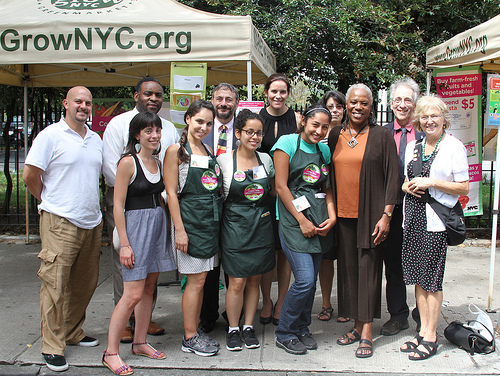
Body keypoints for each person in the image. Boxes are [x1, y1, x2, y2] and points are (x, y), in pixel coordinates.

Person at [23, 86, 103, 372]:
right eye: (78, 101)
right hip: (59, 221)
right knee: (54, 284)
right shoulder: (50, 136)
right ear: (66, 104)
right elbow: (30, 174)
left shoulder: (94, 139)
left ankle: (72, 331)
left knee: (84, 283)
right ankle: (51, 345)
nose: (84, 106)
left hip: (92, 221)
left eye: (88, 102)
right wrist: (48, 200)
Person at [103, 77, 179, 342]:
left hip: (156, 214)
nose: (154, 98)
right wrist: (124, 241)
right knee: (129, 279)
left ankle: (142, 332)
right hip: (130, 212)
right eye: (148, 93)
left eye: (158, 94)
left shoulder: (168, 130)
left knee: (148, 283)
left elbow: (171, 172)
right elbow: (116, 180)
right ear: (136, 96)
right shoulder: (119, 126)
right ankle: (119, 332)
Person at [330, 84, 399, 358]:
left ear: (371, 107)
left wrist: (386, 215)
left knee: (369, 271)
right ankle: (356, 325)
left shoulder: (382, 135)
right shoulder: (336, 133)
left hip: (371, 215)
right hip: (343, 217)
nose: (358, 108)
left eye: (364, 103)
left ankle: (368, 330)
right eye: (353, 103)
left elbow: (393, 176)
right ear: (346, 105)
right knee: (348, 272)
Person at [400, 95, 469, 360]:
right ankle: (422, 332)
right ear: (418, 121)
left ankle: (431, 336)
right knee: (418, 279)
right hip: (414, 218)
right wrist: (408, 186)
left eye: (434, 116)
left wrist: (431, 183)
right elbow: (406, 182)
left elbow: (463, 186)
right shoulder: (413, 147)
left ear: (443, 119)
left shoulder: (453, 146)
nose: (429, 121)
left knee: (432, 280)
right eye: (425, 117)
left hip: (436, 221)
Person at [273, 104, 336, 355]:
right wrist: (301, 220)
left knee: (310, 284)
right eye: (315, 125)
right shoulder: (286, 143)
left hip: (319, 220)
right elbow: (280, 186)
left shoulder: (324, 150)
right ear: (303, 121)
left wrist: (332, 217)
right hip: (293, 222)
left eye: (324, 127)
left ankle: (301, 327)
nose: (319, 131)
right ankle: (285, 331)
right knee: (305, 280)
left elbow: (328, 187)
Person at [164, 100, 222, 357]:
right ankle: (189, 337)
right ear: (188, 119)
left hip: (209, 224)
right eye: (199, 121)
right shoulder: (176, 151)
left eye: (209, 123)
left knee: (202, 281)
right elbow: (171, 194)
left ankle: (195, 330)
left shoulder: (208, 150)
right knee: (195, 282)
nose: (204, 127)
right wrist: (180, 230)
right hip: (190, 224)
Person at [218, 109, 275, 351]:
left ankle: (249, 326)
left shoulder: (266, 160)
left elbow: (272, 190)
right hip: (234, 227)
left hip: (261, 225)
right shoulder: (223, 161)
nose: (254, 137)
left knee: (255, 280)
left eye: (259, 133)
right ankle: (233, 328)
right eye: (249, 132)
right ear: (238, 133)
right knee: (237, 281)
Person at [381, 78, 425, 336]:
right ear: (390, 103)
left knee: (421, 263)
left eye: (407, 99)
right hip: (392, 209)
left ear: (415, 103)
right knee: (393, 265)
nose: (402, 104)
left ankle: (423, 316)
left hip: (420, 208)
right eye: (397, 99)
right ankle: (398, 315)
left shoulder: (426, 132)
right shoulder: (381, 133)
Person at [198, 83, 240, 334]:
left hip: (235, 204)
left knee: (234, 262)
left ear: (236, 102)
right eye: (219, 98)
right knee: (209, 264)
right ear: (212, 100)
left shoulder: (244, 128)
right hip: (206, 206)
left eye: (229, 99)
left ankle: (234, 312)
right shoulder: (203, 128)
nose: (224, 103)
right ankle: (208, 315)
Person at [259, 73, 300, 327]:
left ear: (288, 93)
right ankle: (266, 301)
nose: (278, 96)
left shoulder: (296, 119)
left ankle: (282, 300)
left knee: (285, 252)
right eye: (274, 91)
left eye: (283, 91)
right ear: (266, 92)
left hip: (287, 192)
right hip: (261, 193)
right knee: (267, 251)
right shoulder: (257, 118)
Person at [316, 90, 349, 323]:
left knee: (347, 257)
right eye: (331, 106)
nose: (335, 110)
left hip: (348, 203)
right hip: (323, 203)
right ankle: (326, 304)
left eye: (339, 106)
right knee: (326, 258)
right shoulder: (318, 138)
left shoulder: (351, 134)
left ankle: (347, 304)